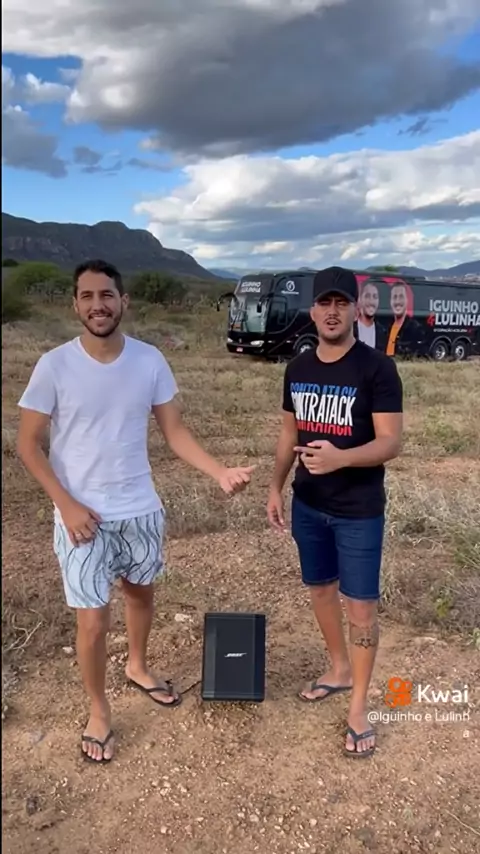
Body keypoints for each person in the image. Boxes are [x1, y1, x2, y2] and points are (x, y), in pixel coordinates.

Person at [17, 259, 255, 764]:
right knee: (93, 623)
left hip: (140, 509)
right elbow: (28, 446)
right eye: (87, 296)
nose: (97, 305)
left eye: (106, 295)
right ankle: (99, 710)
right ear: (75, 305)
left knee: (140, 595)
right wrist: (66, 505)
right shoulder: (53, 366)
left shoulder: (149, 360)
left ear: (123, 301)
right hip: (82, 518)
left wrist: (218, 471)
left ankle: (138, 666)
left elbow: (175, 433)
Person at [267, 266, 403, 759]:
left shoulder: (376, 368)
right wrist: (275, 487)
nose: (332, 311)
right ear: (312, 310)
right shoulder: (298, 368)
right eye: (324, 303)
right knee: (321, 589)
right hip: (308, 504)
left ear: (354, 309)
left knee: (361, 607)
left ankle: (359, 707)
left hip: (358, 510)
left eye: (341, 303)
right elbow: (289, 433)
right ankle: (339, 669)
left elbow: (391, 442)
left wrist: (341, 458)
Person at [355, 279, 387, 352]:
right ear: (360, 299)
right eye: (367, 296)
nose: (371, 301)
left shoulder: (383, 332)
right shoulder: (349, 329)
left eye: (375, 297)